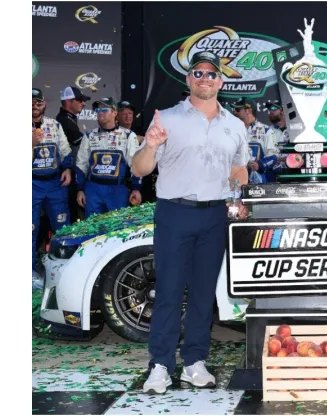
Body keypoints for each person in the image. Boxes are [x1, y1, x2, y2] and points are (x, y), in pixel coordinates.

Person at [131, 51, 249, 394]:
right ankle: (161, 365)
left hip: (215, 216)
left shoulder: (235, 125)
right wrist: (150, 146)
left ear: (220, 82)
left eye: (212, 74)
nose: (205, 79)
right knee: (168, 291)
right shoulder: (166, 118)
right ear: (188, 79)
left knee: (202, 294)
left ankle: (194, 361)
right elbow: (140, 169)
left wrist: (239, 195)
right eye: (198, 73)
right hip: (174, 212)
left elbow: (239, 169)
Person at [32, 88, 73, 290]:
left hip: (55, 183)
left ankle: (65, 269)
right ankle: (29, 273)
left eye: (38, 102)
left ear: (44, 104)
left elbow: (65, 151)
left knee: (63, 228)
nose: (34, 106)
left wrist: (67, 168)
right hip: (31, 183)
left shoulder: (54, 125)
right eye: (30, 101)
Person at [75, 98, 142, 217]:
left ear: (115, 113)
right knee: (92, 230)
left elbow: (136, 165)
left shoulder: (128, 135)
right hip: (93, 189)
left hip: (117, 190)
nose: (100, 112)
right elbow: (81, 164)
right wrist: (80, 189)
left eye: (104, 109)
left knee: (117, 230)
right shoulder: (89, 135)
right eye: (98, 109)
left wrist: (136, 188)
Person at [56, 86, 90, 223]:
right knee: (72, 213)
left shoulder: (69, 118)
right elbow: (84, 145)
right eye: (80, 100)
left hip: (71, 176)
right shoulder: (64, 121)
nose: (83, 103)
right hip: (68, 177)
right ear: (68, 102)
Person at [233, 97, 276, 182]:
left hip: (258, 182)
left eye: (238, 110)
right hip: (236, 181)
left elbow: (274, 156)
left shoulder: (266, 130)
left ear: (248, 111)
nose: (234, 112)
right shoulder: (232, 131)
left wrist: (259, 165)